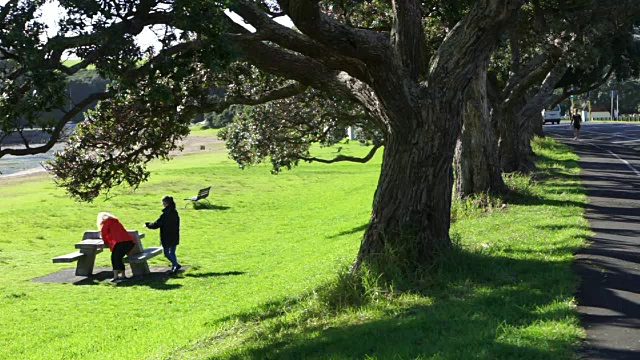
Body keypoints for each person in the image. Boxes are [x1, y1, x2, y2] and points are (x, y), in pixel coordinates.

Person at [145, 196, 181, 273]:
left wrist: (148, 224)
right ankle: (174, 266)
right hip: (175, 234)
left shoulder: (165, 214)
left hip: (167, 236)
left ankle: (176, 264)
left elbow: (156, 224)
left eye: (163, 203)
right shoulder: (175, 212)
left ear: (165, 203)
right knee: (172, 252)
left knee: (166, 253)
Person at [98, 212, 136, 283]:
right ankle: (123, 276)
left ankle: (116, 277)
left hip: (120, 243)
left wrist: (105, 242)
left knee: (114, 258)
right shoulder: (116, 221)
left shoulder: (106, 223)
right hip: (129, 242)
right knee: (119, 258)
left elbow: (104, 233)